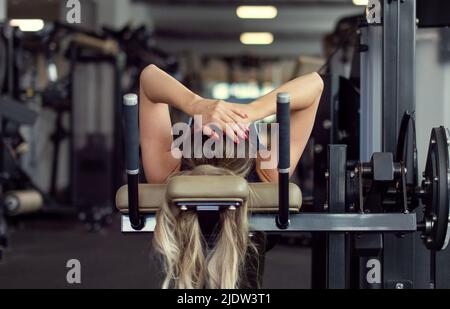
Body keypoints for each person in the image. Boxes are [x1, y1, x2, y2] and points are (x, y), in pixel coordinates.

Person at [141, 64, 324, 289]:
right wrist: (249, 112)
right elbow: (315, 83)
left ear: (188, 143)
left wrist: (196, 104)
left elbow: (149, 76)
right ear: (252, 148)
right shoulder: (266, 174)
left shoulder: (168, 173)